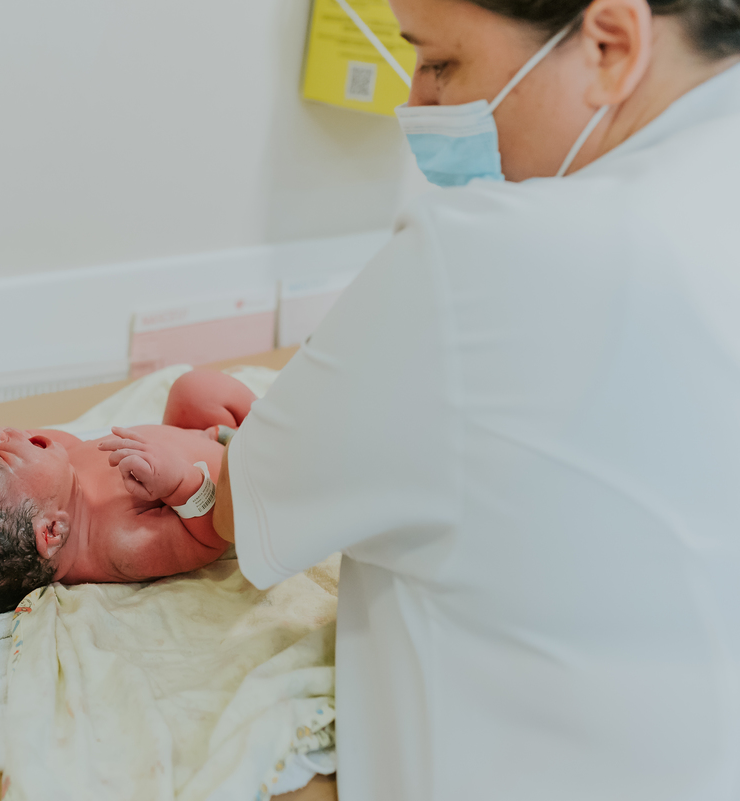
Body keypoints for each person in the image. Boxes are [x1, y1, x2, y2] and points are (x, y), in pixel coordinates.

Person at [204, 0, 739, 797]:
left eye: (440, 62)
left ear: (609, 45)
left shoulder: (484, 253)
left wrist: (231, 460)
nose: (416, 102)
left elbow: (238, 507)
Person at [0, 369, 256, 617]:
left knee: (193, 389)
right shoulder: (118, 543)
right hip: (248, 481)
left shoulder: (61, 486)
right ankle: (279, 434)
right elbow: (210, 537)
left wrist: (31, 448)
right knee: (208, 393)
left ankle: (261, 423)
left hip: (204, 436)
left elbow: (70, 448)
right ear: (51, 531)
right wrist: (179, 484)